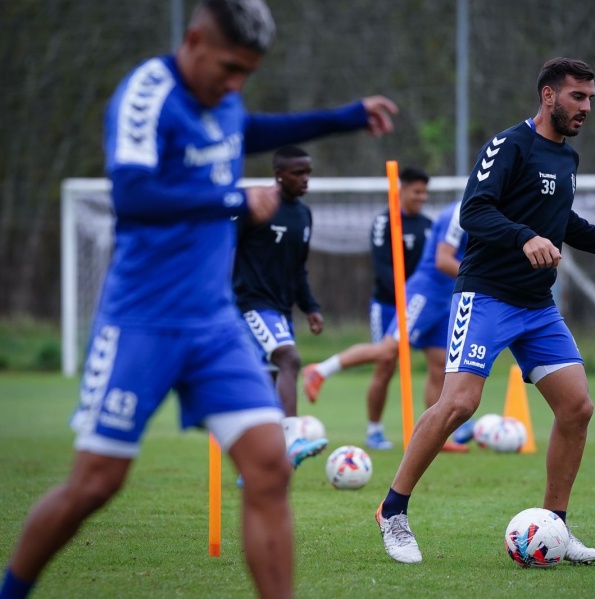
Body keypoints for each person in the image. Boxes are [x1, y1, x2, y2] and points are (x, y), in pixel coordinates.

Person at [0, 2, 398, 598]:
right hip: (142, 321)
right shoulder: (147, 96)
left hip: (215, 326)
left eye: (248, 74)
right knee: (95, 483)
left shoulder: (223, 97)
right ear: (193, 40)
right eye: (229, 68)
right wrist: (233, 201)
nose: (235, 85)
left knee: (269, 468)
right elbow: (133, 197)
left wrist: (346, 117)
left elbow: (251, 129)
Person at [372, 57, 595, 565]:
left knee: (577, 408)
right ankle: (393, 511)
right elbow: (474, 210)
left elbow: (562, 220)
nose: (586, 107)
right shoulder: (509, 145)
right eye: (577, 97)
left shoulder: (568, 158)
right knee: (459, 404)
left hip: (537, 307)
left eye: (590, 99)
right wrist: (524, 237)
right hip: (485, 296)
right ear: (548, 95)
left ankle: (555, 528)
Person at [301, 201, 469, 453]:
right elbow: (442, 260)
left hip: (444, 300)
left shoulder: (468, 213)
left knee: (440, 365)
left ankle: (437, 436)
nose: (422, 197)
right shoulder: (456, 213)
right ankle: (320, 370)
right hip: (425, 295)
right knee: (387, 352)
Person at [304, 167, 432, 450]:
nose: (422, 197)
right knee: (385, 363)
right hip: (388, 304)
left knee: (441, 361)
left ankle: (445, 431)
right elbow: (382, 266)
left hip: (422, 306)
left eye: (425, 192)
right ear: (402, 190)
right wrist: (404, 294)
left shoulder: (427, 225)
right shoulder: (385, 222)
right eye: (417, 191)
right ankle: (374, 430)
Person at [233, 145, 326, 456]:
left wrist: (310, 306)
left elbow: (298, 268)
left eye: (308, 172)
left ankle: (257, 464)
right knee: (290, 359)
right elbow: (222, 248)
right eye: (298, 173)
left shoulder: (304, 215)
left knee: (269, 386)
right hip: (251, 304)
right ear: (278, 175)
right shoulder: (257, 207)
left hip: (281, 310)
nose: (305, 178)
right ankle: (292, 440)